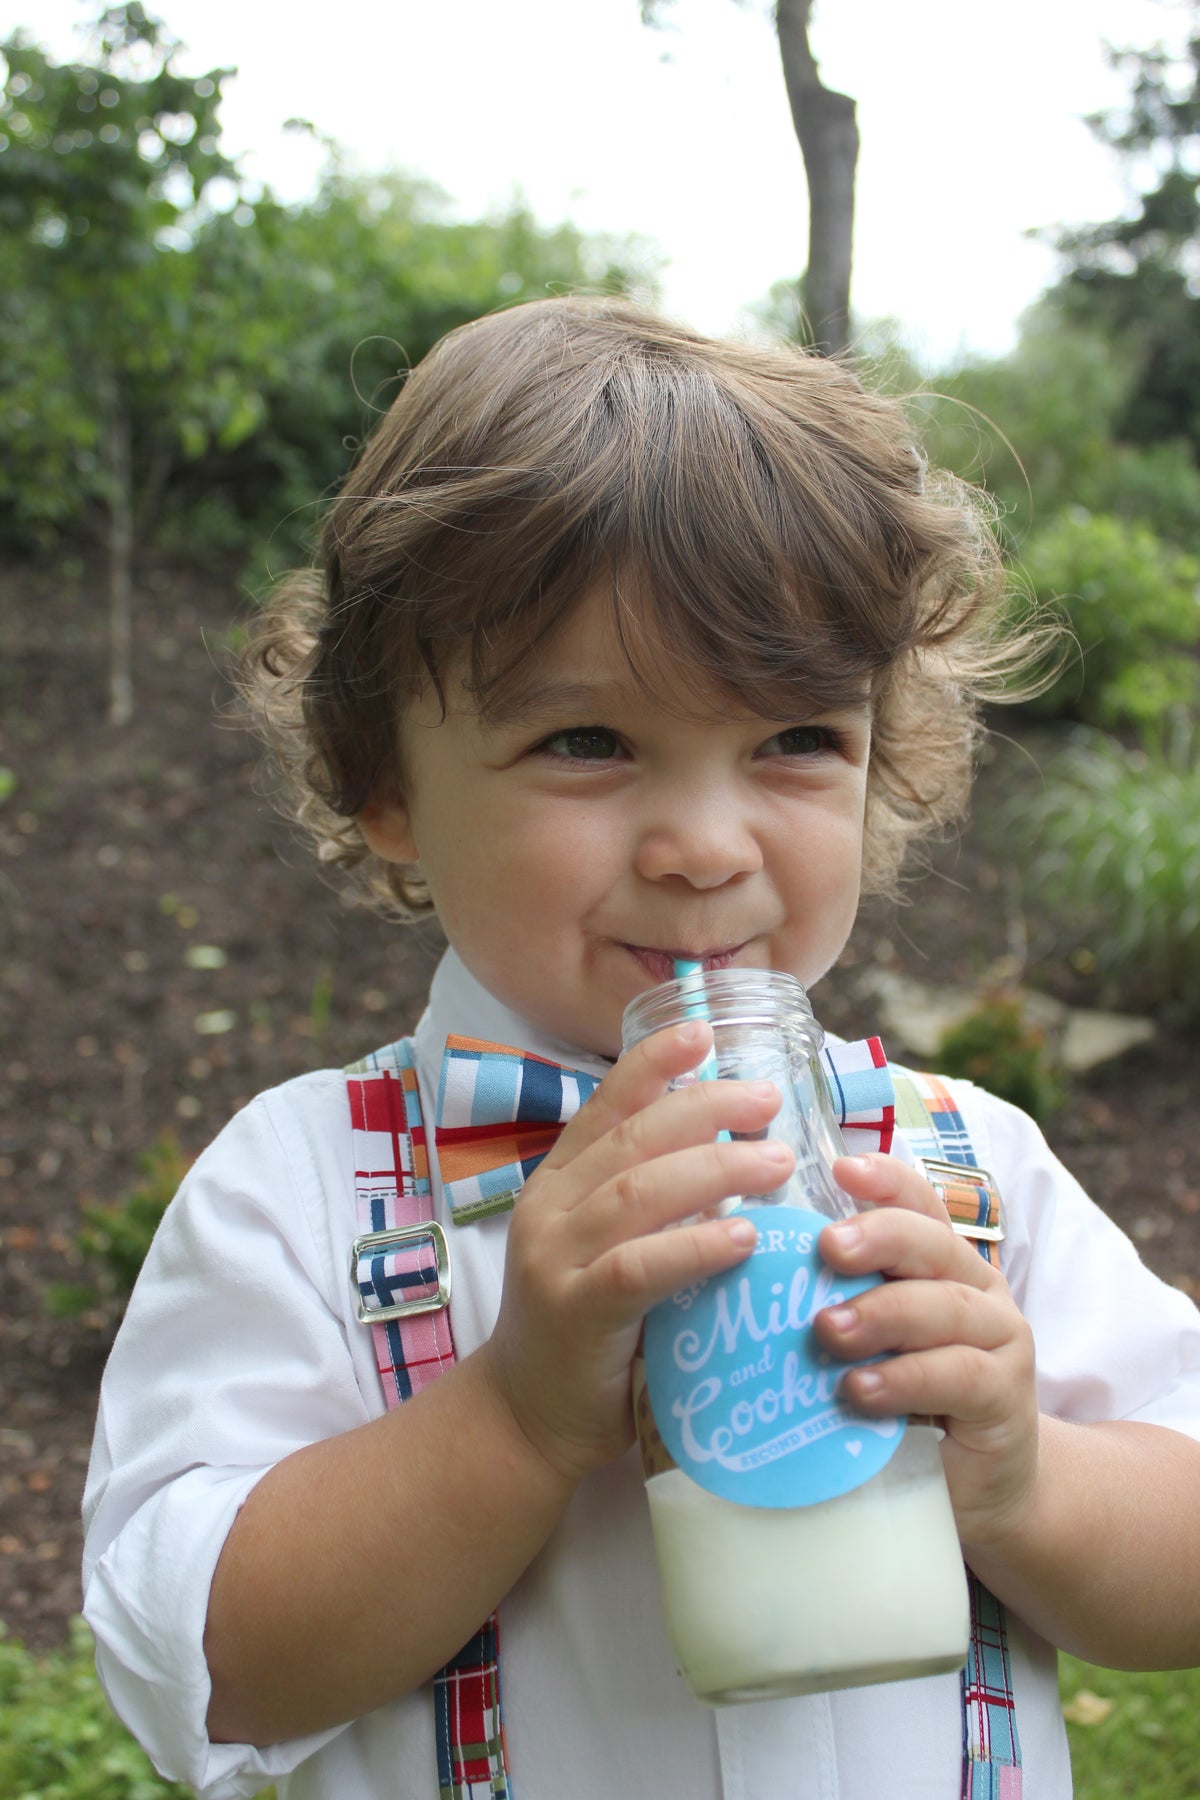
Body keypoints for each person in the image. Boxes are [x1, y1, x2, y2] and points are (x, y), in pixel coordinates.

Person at [82, 297, 1200, 1800]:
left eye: (797, 739)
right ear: (384, 781)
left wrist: (1028, 1475)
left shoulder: (962, 1170)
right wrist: (514, 1413)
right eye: (588, 743)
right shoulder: (306, 1191)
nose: (703, 843)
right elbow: (191, 1667)